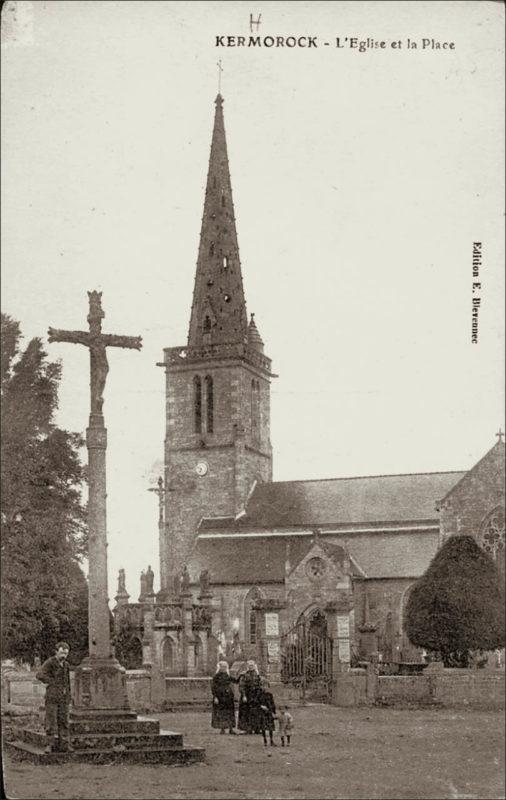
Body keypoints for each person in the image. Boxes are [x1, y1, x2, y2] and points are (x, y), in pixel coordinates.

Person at [35, 641, 72, 753]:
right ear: (56, 652)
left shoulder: (66, 665)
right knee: (51, 721)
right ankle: (49, 745)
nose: (63, 656)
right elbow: (39, 675)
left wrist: (69, 695)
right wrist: (52, 682)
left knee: (64, 721)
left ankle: (64, 745)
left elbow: (67, 682)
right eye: (61, 653)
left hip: (63, 697)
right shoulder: (50, 662)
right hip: (52, 697)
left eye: (66, 653)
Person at [211, 661, 237, 735]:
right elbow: (213, 687)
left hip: (228, 696)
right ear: (219, 668)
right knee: (222, 712)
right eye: (222, 667)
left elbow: (235, 681)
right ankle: (222, 728)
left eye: (225, 667)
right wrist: (215, 697)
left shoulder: (227, 675)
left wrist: (242, 675)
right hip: (220, 696)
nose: (224, 668)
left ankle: (231, 728)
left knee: (230, 712)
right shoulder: (216, 677)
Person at [238, 660, 262, 734]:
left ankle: (257, 728)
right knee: (246, 712)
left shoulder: (257, 674)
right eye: (249, 665)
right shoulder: (244, 675)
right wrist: (244, 695)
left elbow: (260, 684)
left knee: (256, 711)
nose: (251, 667)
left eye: (252, 665)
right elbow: (241, 686)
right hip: (247, 695)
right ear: (247, 666)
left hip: (256, 695)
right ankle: (247, 728)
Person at [258, 679, 277, 747]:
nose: (264, 687)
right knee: (263, 727)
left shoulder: (270, 695)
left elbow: (272, 703)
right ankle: (265, 740)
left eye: (266, 686)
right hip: (262, 713)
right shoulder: (259, 695)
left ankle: (271, 740)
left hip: (269, 712)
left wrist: (273, 712)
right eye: (263, 686)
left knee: (270, 727)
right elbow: (256, 703)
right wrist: (261, 706)